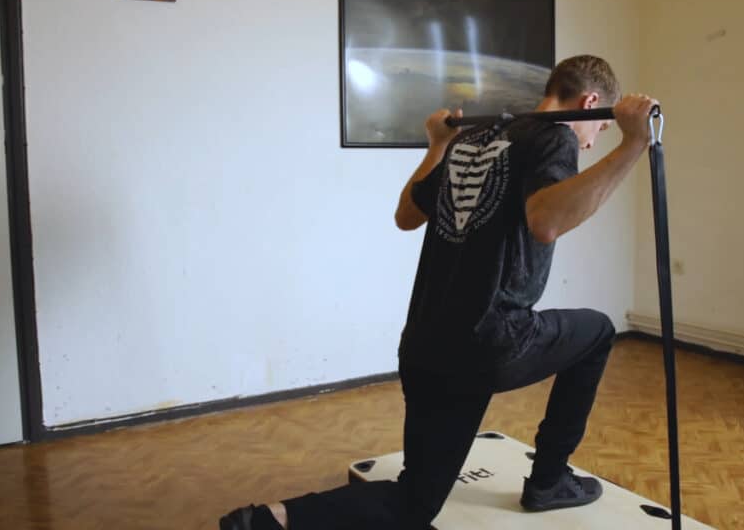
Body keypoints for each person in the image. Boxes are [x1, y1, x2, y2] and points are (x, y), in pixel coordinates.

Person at [219, 55, 659, 530]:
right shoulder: (554, 136)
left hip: (426, 345)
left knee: (414, 502)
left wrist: (437, 145)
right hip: (493, 343)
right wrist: (633, 143)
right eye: (600, 128)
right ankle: (549, 480)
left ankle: (267, 520)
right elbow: (546, 221)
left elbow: (407, 214)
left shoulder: (474, 137)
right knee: (597, 331)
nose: (594, 141)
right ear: (590, 103)